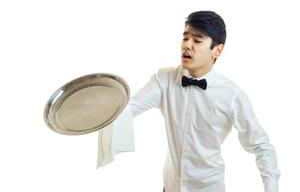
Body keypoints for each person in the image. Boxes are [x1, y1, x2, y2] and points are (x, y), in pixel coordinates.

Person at [97, 11, 280, 192]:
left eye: (197, 40)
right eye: (185, 38)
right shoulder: (164, 79)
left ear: (217, 50)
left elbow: (262, 146)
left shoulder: (232, 95)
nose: (187, 45)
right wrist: (95, 106)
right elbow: (128, 108)